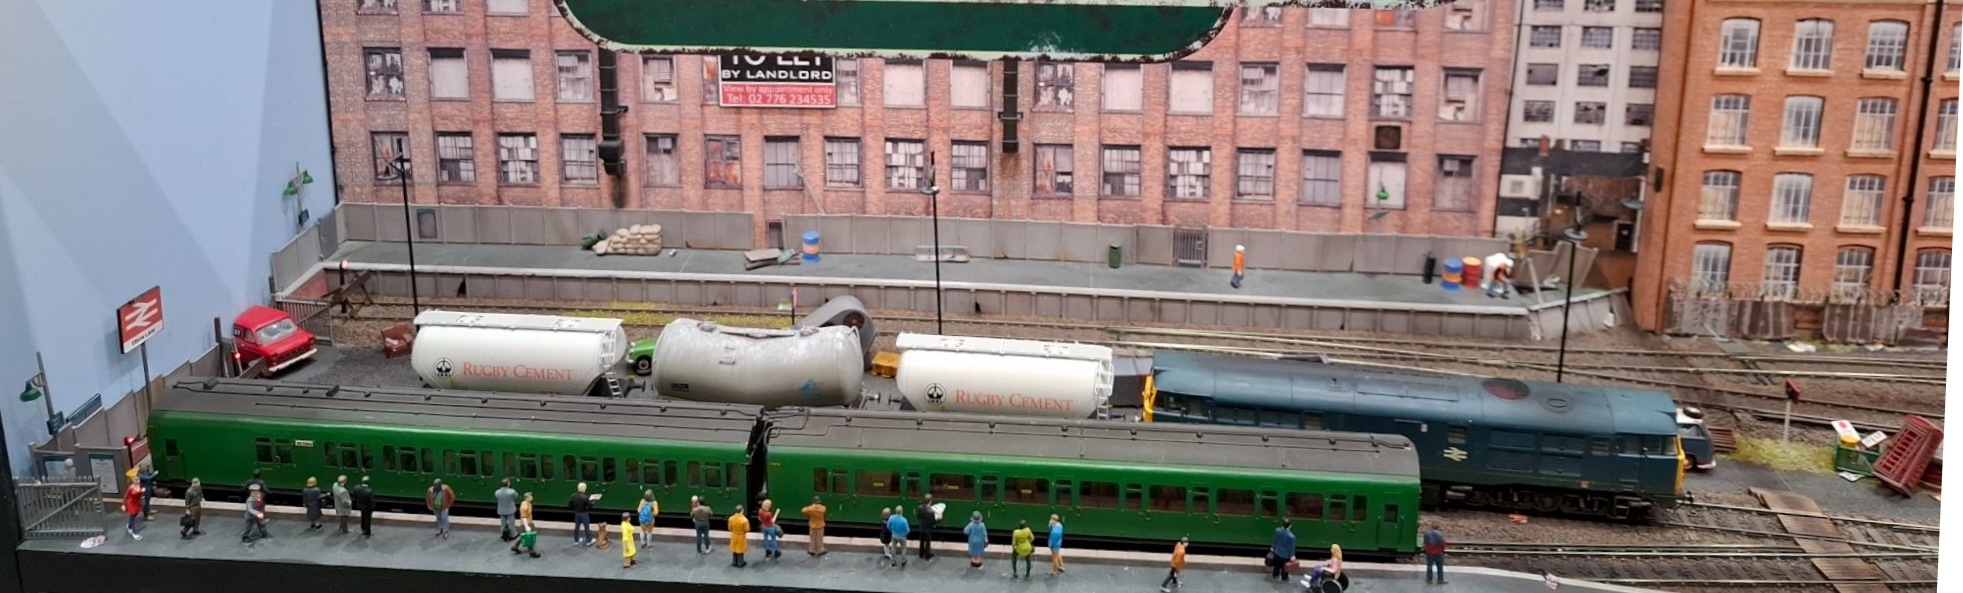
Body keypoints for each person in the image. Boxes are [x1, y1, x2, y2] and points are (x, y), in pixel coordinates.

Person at [915, 494, 938, 560]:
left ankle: (921, 554)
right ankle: (927, 555)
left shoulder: (919, 507)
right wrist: (939, 518)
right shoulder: (931, 512)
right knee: (927, 542)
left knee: (921, 541)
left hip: (921, 527)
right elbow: (933, 523)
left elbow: (918, 517)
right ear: (930, 501)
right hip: (928, 529)